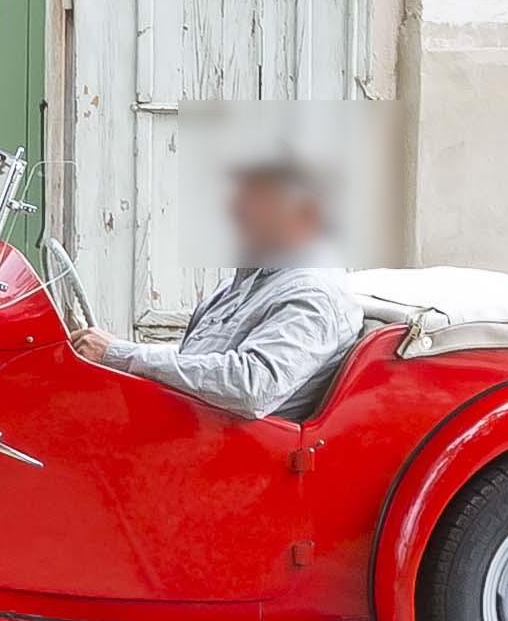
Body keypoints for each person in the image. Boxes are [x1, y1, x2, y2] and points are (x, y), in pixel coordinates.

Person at [155, 147, 364, 419]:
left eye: (257, 198)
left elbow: (252, 387)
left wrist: (123, 356)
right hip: (184, 436)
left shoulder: (313, 293)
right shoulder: (246, 284)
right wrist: (115, 356)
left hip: (232, 452)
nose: (236, 209)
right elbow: (190, 357)